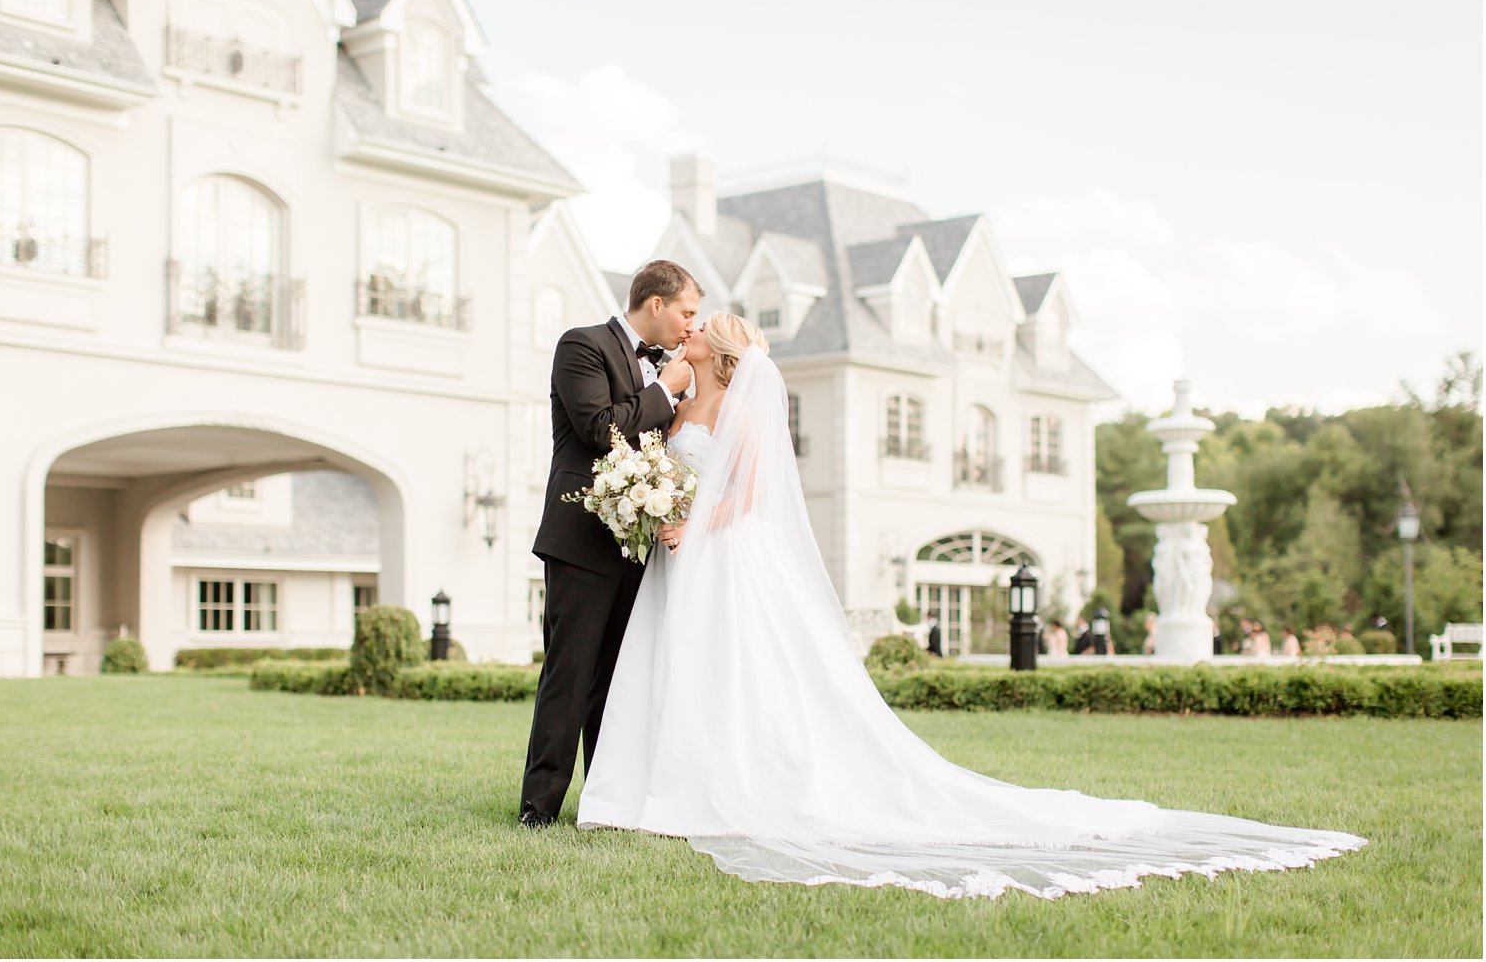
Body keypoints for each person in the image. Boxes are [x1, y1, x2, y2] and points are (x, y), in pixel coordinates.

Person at [571, 312, 1366, 900]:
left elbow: (741, 493)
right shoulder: (676, 407)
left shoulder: (738, 410)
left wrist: (688, 523)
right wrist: (653, 506)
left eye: (704, 326)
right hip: (680, 558)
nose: (693, 328)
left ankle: (722, 782)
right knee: (682, 666)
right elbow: (663, 463)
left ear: (723, 351)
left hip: (718, 556)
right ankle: (655, 789)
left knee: (735, 671)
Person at [518, 260, 701, 829]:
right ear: (656, 305)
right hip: (580, 539)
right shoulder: (581, 345)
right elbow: (604, 430)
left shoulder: (673, 368)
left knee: (617, 681)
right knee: (569, 673)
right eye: (687, 312)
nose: (691, 326)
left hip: (637, 545)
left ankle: (603, 803)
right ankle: (538, 807)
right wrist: (666, 390)